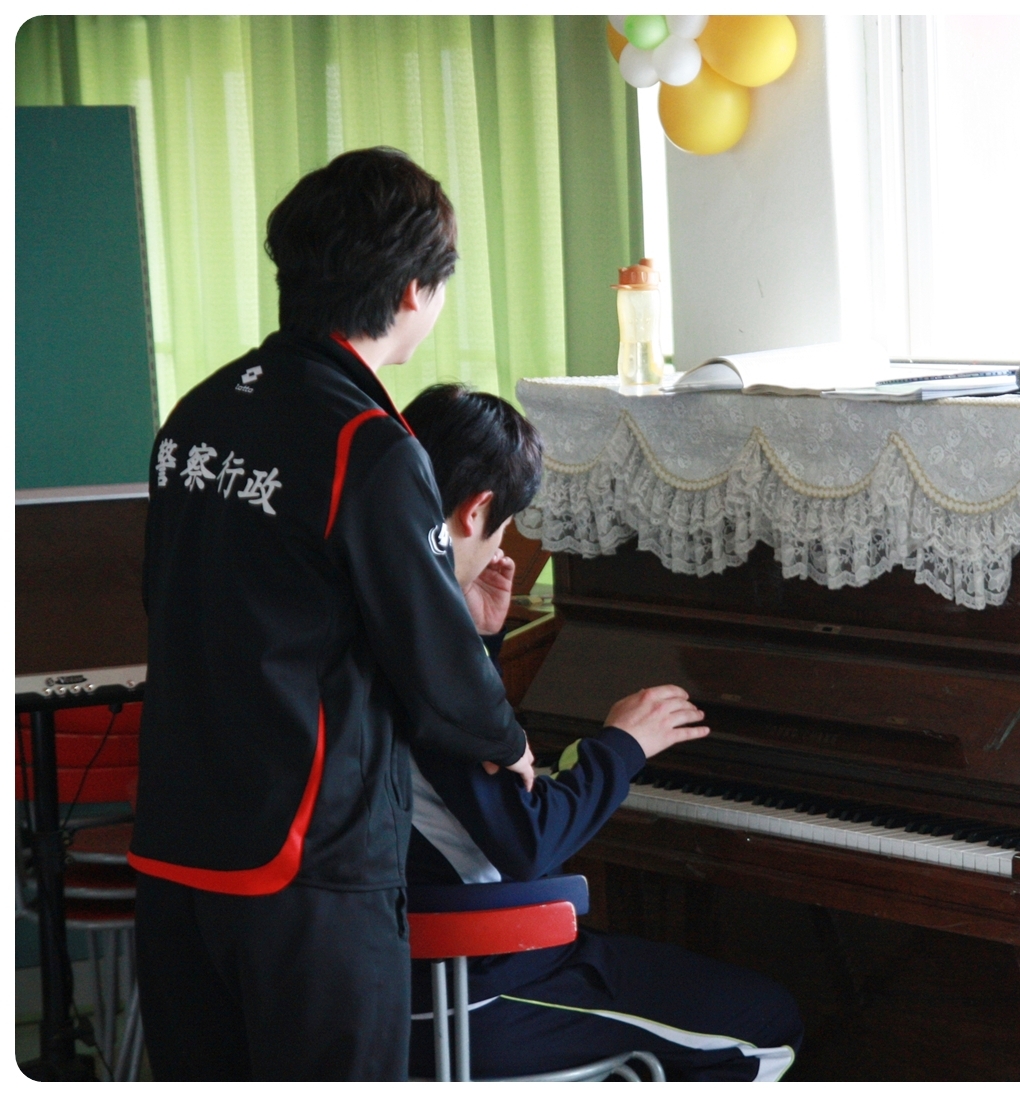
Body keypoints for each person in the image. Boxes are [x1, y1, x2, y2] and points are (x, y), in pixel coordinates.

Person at [129, 149, 537, 1080]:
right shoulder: (370, 445)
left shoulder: (196, 415)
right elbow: (433, 667)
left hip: (179, 846)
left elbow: (170, 595)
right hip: (306, 865)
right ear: (411, 292)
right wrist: (506, 740)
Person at [401, 383, 804, 1081]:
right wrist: (624, 745)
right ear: (476, 511)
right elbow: (526, 842)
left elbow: (450, 769)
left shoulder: (391, 611)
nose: (498, 548)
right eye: (501, 530)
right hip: (474, 993)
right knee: (769, 1025)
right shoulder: (430, 653)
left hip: (410, 975)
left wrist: (482, 640)